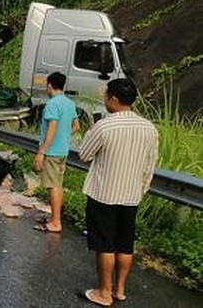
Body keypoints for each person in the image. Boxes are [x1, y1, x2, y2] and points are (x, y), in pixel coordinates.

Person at [79, 79, 159, 307]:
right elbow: (149, 165)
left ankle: (104, 292)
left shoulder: (105, 126)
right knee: (125, 244)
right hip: (131, 195)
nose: (104, 99)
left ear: (114, 98)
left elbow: (84, 154)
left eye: (106, 95)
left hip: (104, 194)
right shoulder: (149, 128)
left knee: (105, 244)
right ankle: (120, 289)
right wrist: (141, 189)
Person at [33, 72, 79, 233]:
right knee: (57, 184)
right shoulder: (69, 103)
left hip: (52, 152)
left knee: (53, 187)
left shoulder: (52, 104)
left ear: (49, 85)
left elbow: (51, 128)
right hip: (63, 151)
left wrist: (41, 152)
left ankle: (55, 222)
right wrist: (64, 136)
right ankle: (54, 218)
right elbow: (76, 126)